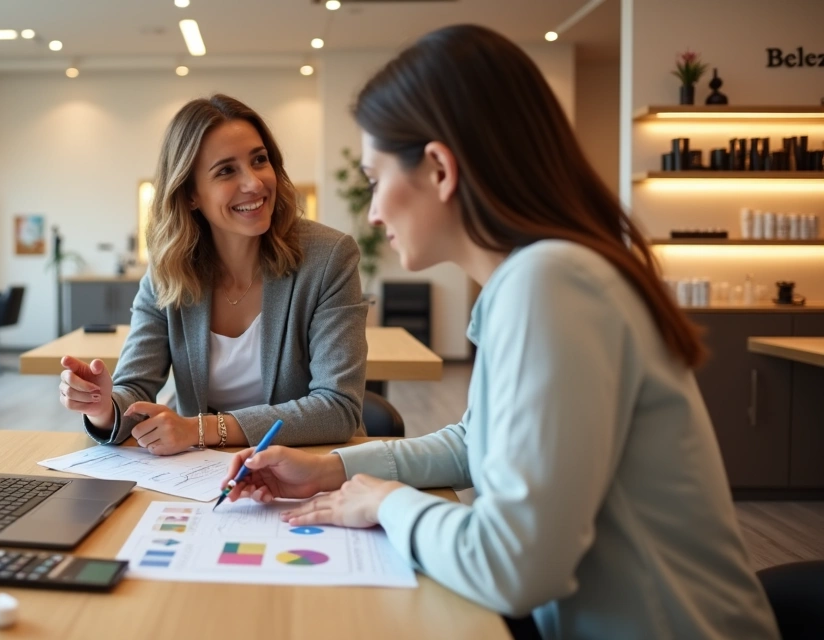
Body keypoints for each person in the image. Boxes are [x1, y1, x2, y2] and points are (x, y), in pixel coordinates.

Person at [220, 25, 778, 640]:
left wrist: (383, 502)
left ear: (438, 169)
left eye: (377, 180)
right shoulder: (539, 274)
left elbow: (513, 567)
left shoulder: (552, 282)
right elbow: (472, 442)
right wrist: (329, 469)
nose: (374, 211)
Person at [59, 94, 368, 456]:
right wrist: (103, 408)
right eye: (226, 171)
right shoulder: (168, 271)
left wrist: (200, 429)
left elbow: (338, 408)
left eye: (259, 160)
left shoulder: (329, 257)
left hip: (309, 465)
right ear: (191, 194)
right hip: (203, 474)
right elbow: (135, 389)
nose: (254, 183)